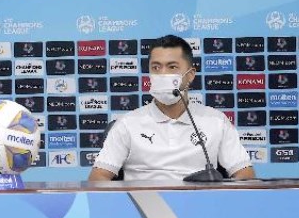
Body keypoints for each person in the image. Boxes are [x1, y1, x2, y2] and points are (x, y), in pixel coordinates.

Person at [88, 35, 255, 181]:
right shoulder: (127, 124)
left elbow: (244, 175)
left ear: (190, 75)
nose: (162, 74)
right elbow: (98, 178)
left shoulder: (216, 121)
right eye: (156, 67)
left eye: (172, 67)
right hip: (144, 204)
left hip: (200, 203)